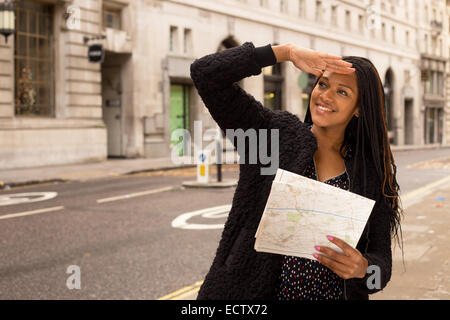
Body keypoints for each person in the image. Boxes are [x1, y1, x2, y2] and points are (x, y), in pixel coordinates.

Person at [190, 41, 403, 300]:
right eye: (323, 84)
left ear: (359, 108)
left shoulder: (370, 173)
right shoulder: (271, 136)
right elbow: (206, 74)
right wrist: (285, 53)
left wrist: (363, 269)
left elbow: (381, 270)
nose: (325, 96)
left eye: (342, 92)